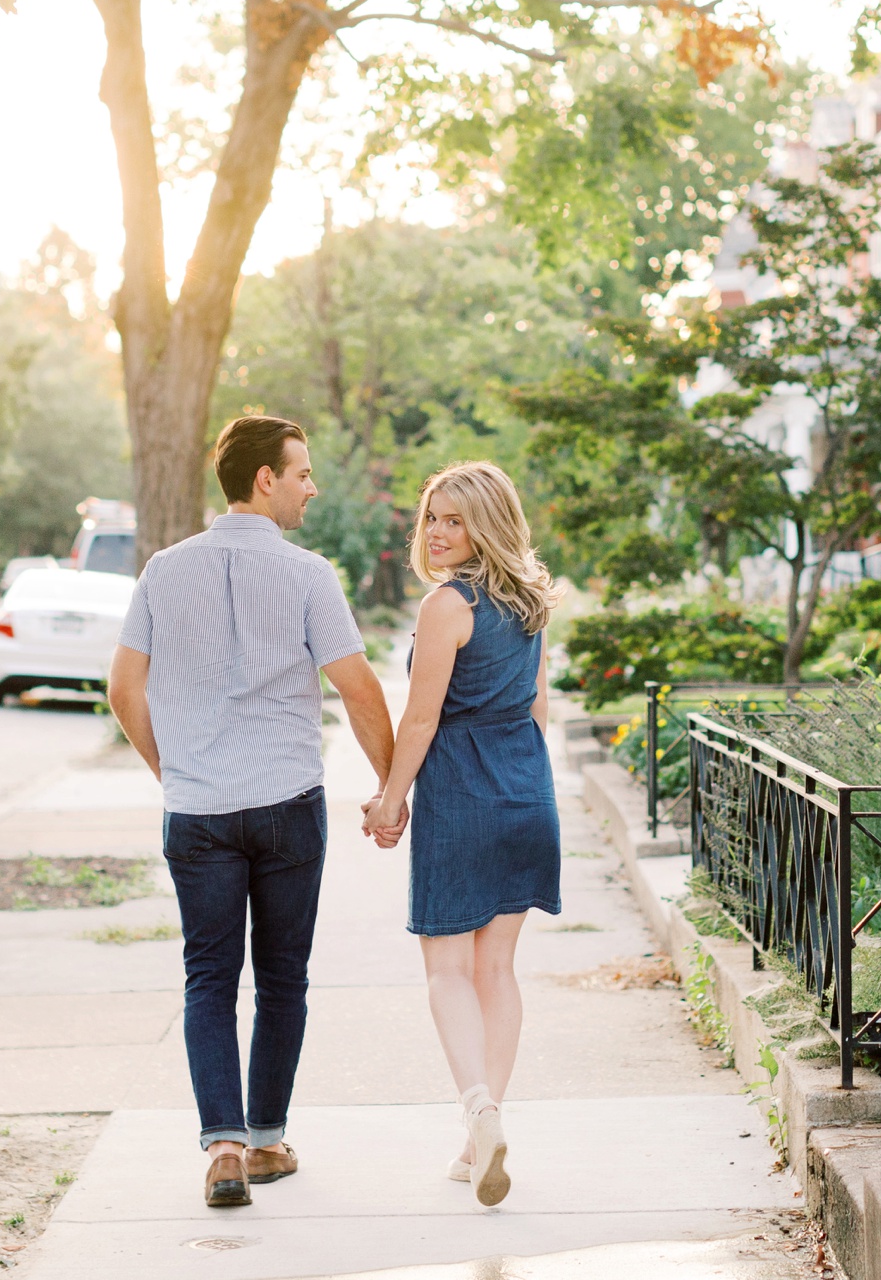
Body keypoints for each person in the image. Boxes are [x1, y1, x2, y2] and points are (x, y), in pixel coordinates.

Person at [108, 417, 396, 1209]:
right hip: (285, 806)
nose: (312, 486)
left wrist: (173, 772)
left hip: (197, 810)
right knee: (281, 980)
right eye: (301, 472)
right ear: (263, 479)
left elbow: (123, 689)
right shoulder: (309, 577)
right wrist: (391, 786)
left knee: (208, 981)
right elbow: (359, 687)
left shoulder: (163, 572)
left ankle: (224, 1149)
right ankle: (267, 1140)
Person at [361, 461, 561, 1208]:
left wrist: (389, 801)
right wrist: (533, 793)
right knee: (498, 971)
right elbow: (538, 709)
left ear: (488, 523)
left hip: (461, 797)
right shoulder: (533, 601)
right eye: (433, 517)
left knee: (448, 969)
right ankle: (480, 1136)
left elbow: (421, 717)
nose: (438, 532)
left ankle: (479, 1111)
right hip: (525, 793)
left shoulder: (449, 605)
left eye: (455, 519)